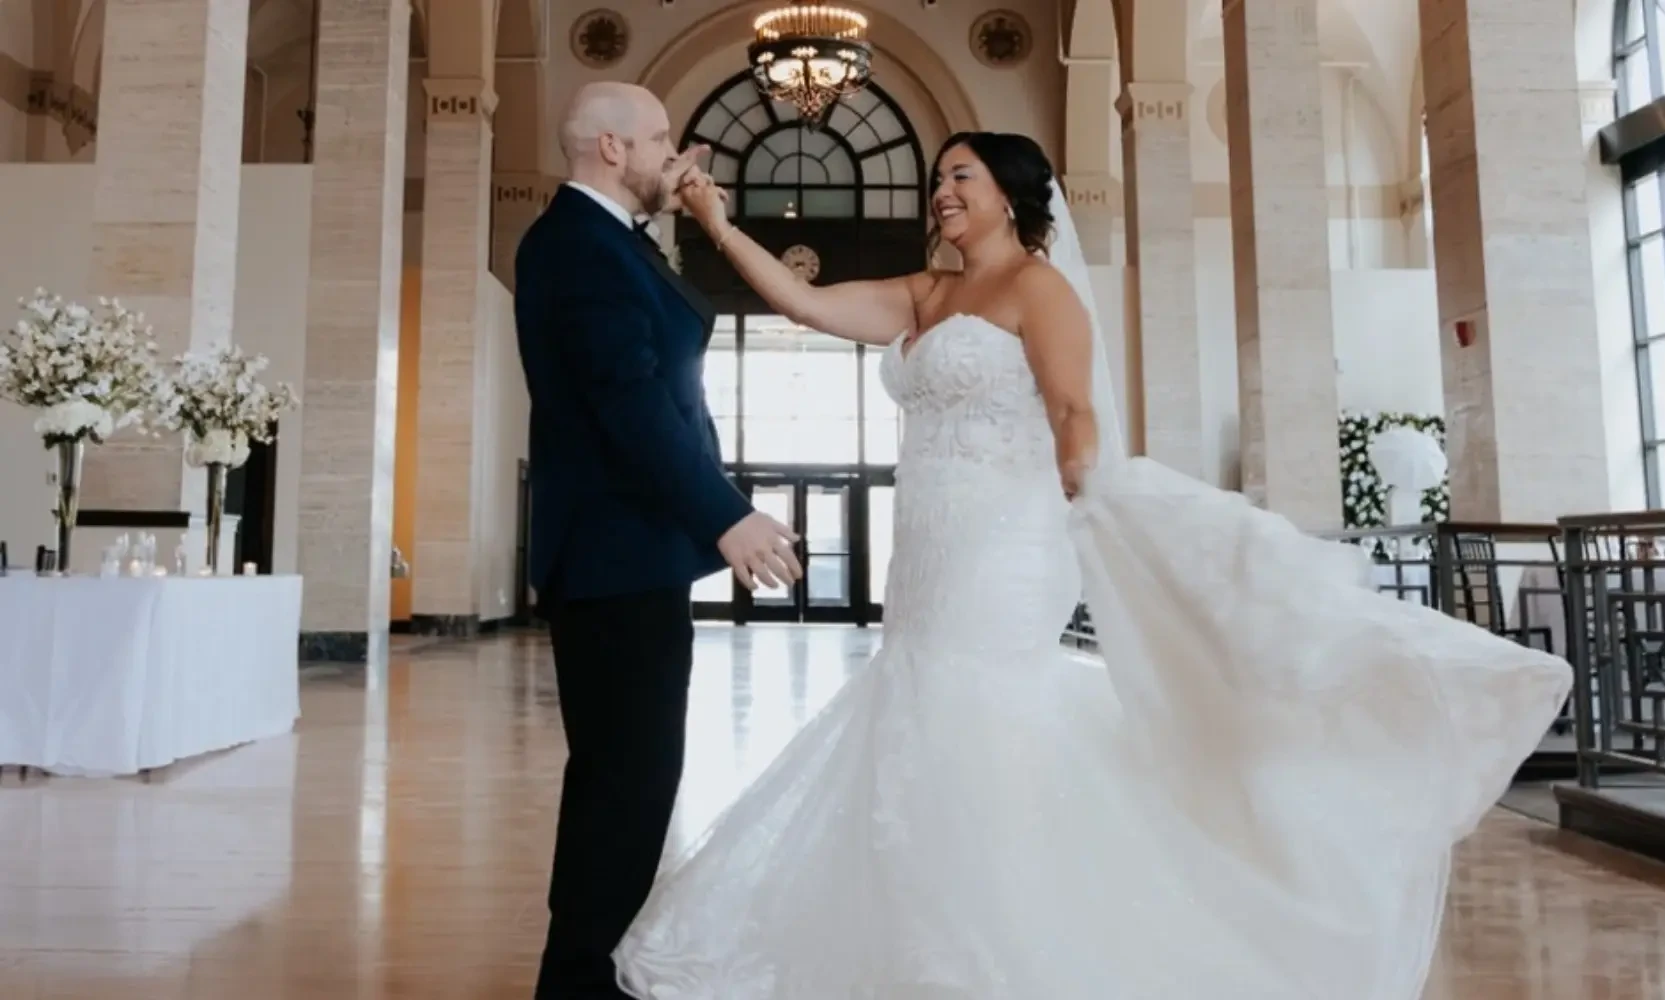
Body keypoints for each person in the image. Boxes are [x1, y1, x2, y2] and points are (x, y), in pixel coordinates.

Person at [610, 131, 1573, 999]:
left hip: (1008, 542)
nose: (940, 192)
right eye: (936, 178)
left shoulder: (1040, 288)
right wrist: (715, 223)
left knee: (974, 705)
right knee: (921, 703)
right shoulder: (924, 292)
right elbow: (805, 303)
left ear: (1013, 195)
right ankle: (926, 942)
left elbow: (1073, 408)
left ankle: (992, 951)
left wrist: (1087, 479)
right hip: (931, 548)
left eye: (960, 176)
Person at [512, 81, 804, 1000]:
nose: (677, 152)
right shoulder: (577, 247)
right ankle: (576, 979)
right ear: (610, 147)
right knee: (628, 780)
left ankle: (585, 969)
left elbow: (659, 346)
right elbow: (632, 407)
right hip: (612, 552)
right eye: (661, 139)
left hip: (625, 552)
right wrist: (727, 514)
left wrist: (692, 212)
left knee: (627, 777)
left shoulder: (604, 240)